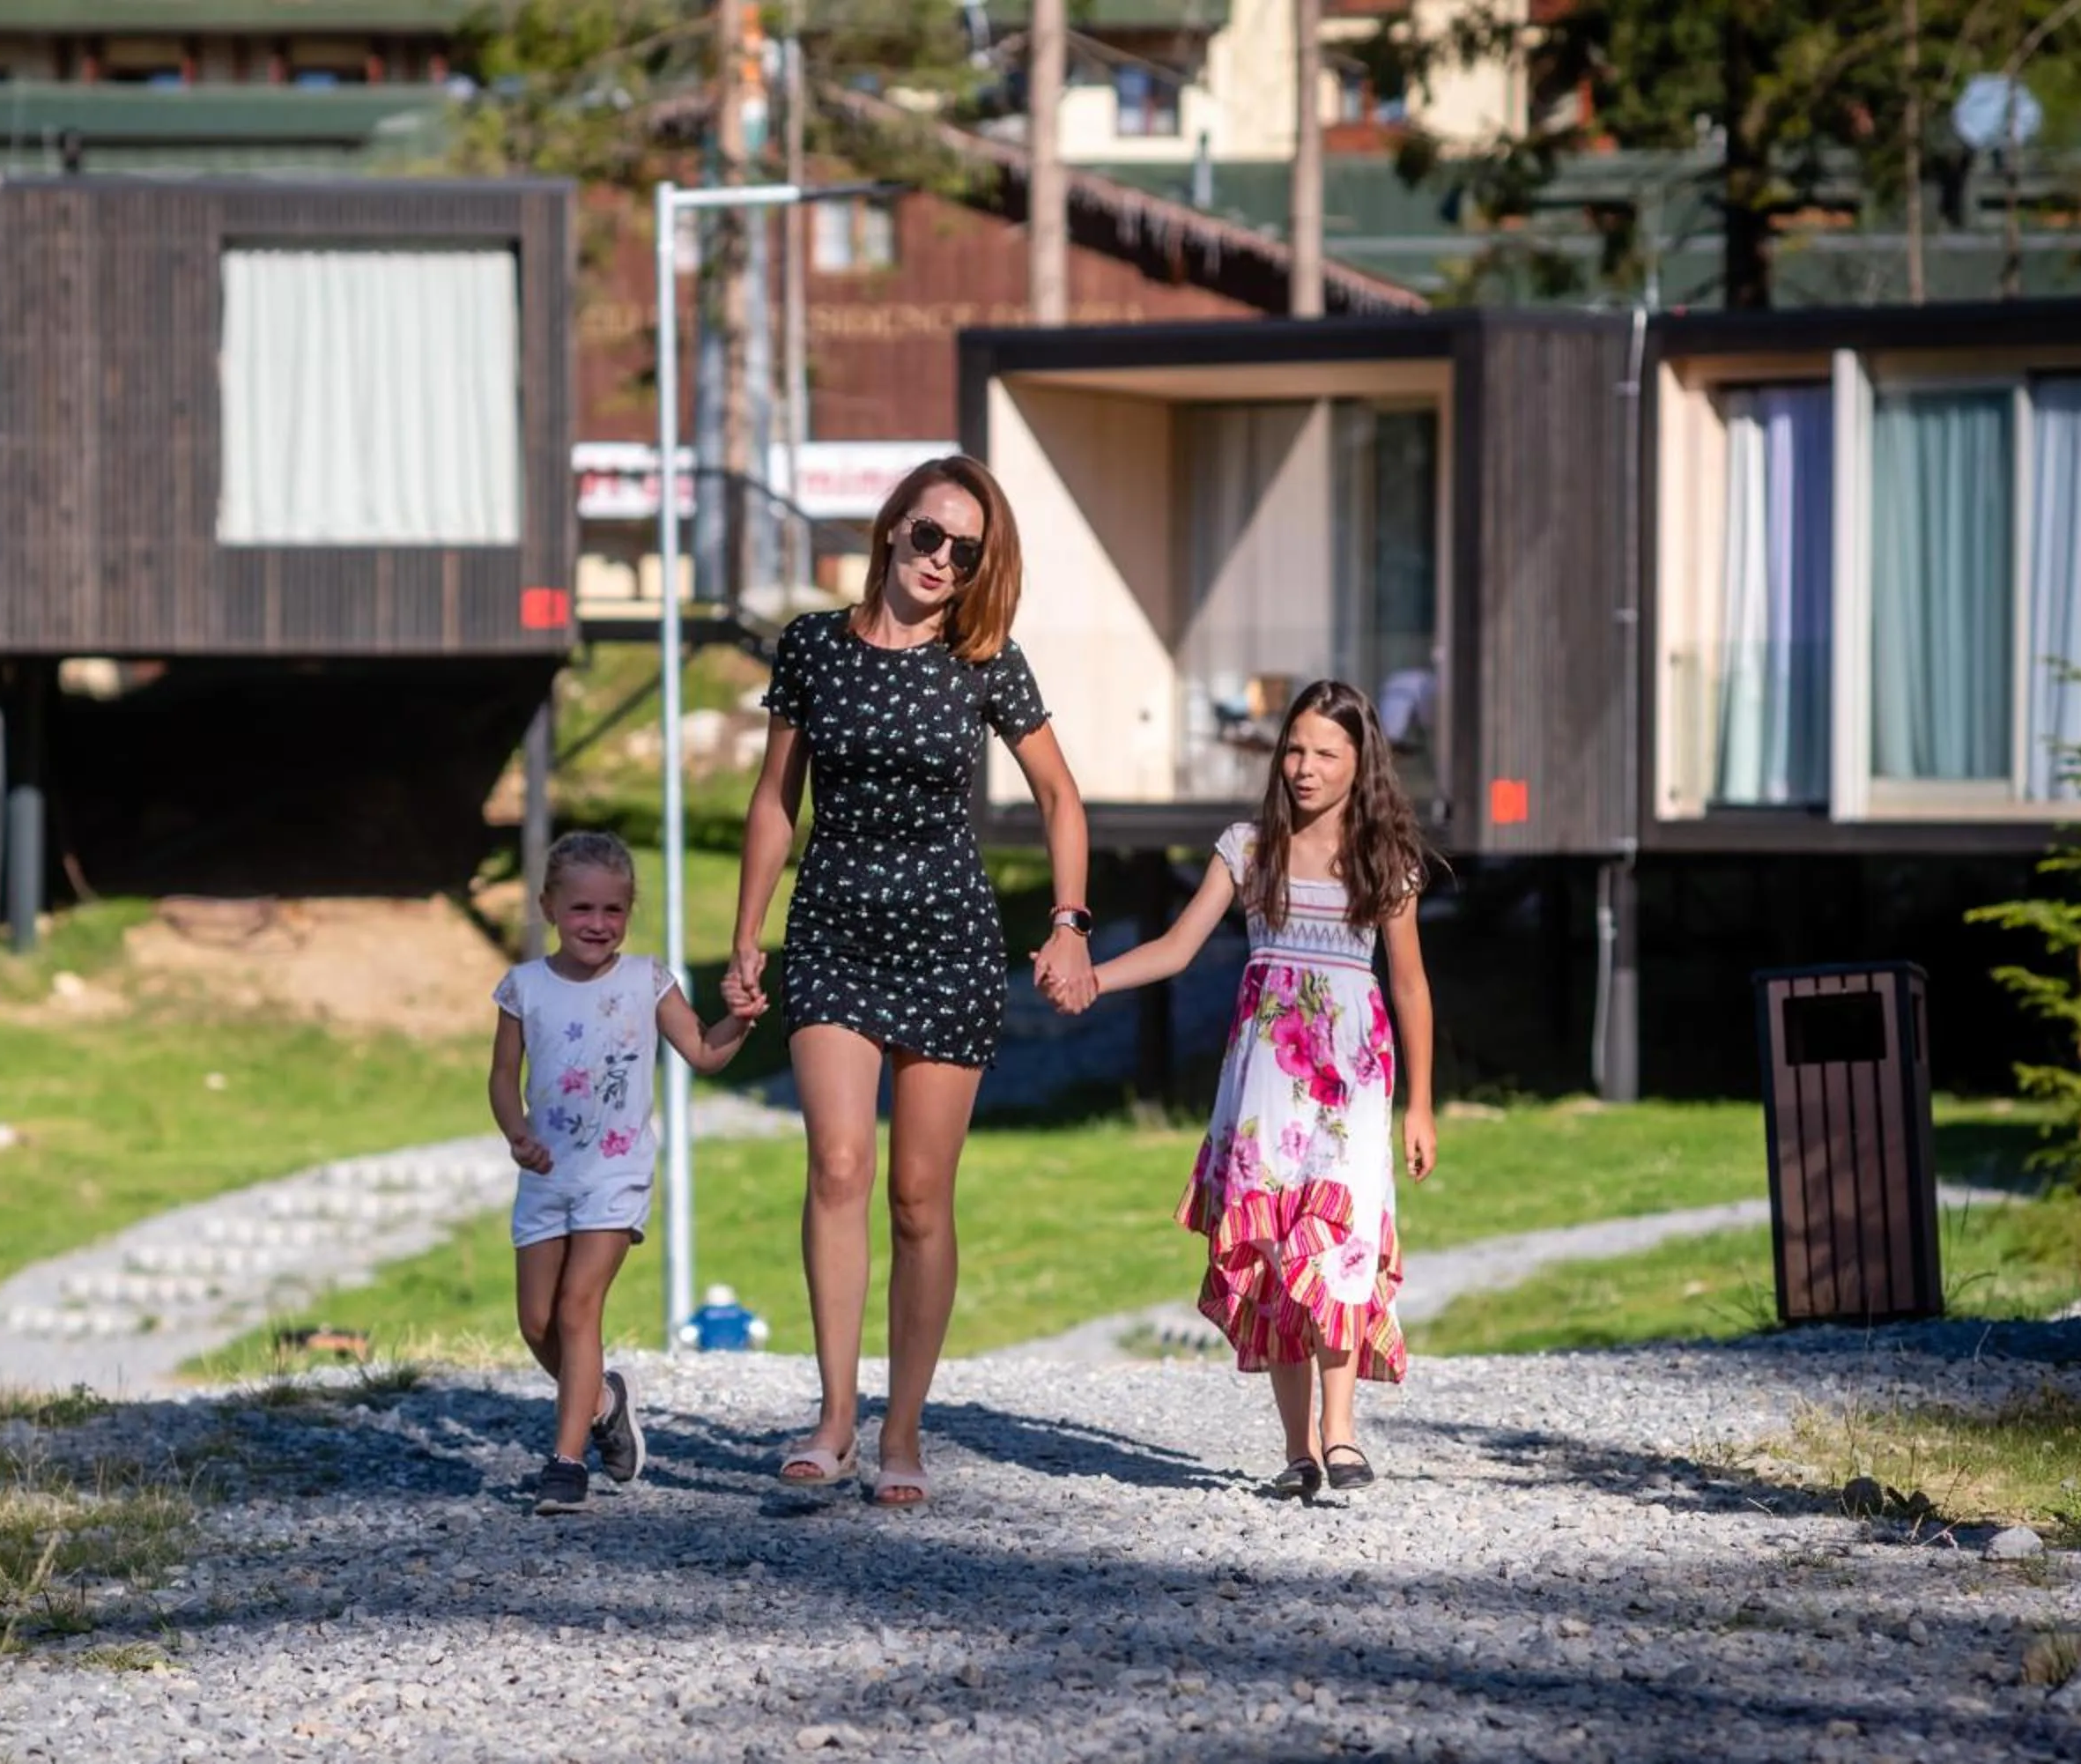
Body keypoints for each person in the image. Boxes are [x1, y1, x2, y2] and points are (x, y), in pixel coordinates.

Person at [724, 455, 1094, 1510]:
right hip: (835, 929)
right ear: (892, 530)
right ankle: (835, 1419)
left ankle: (903, 1429)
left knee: (920, 1197)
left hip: (948, 942)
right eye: (929, 536)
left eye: (966, 551)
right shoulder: (812, 647)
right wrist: (746, 934)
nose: (941, 561)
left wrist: (1067, 924)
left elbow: (1063, 799)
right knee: (838, 1163)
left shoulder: (986, 660)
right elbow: (771, 801)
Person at [1087, 679, 1436, 1500]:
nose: (1305, 768)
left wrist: (1421, 1104)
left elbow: (1412, 987)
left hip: (1350, 1085)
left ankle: (1342, 1434)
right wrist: (1090, 981)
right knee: (1278, 1255)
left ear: (1361, 763)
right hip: (1266, 1092)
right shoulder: (1247, 848)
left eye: (1327, 753)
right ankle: (1298, 1450)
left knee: (1340, 1249)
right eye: (1296, 749)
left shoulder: (1385, 861)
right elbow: (1174, 948)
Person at [492, 830, 760, 1516]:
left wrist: (743, 1020)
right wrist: (516, 1133)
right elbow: (501, 1080)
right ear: (550, 907)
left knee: (580, 1308)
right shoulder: (523, 988)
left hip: (616, 1172)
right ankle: (606, 1402)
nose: (598, 925)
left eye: (613, 911)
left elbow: (702, 1051)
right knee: (536, 1321)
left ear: (629, 913)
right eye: (581, 909)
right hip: (546, 1173)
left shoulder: (647, 980)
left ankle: (566, 1462)